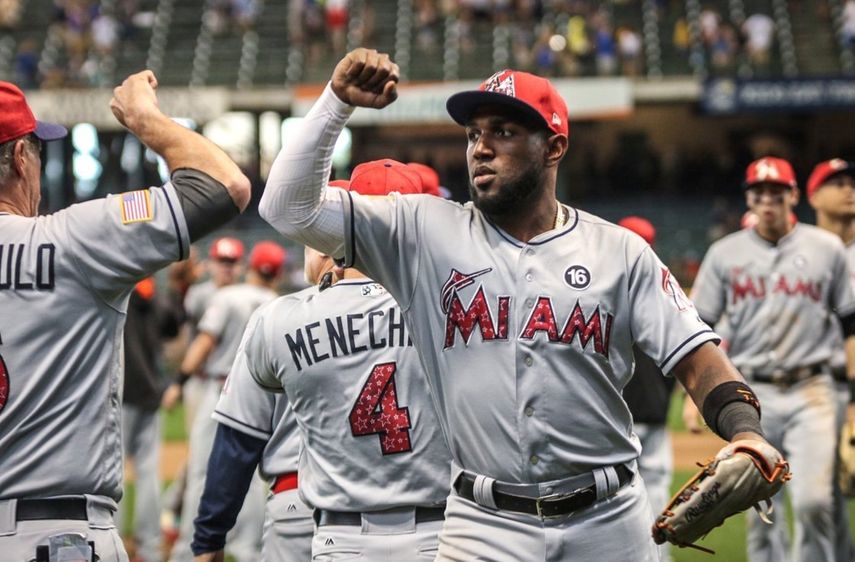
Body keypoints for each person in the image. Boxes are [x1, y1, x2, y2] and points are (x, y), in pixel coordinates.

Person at [258, 47, 781, 561]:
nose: (480, 147)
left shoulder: (618, 251)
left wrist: (748, 434)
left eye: (503, 132)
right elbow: (285, 206)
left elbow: (698, 358)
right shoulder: (420, 230)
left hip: (608, 520)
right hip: (482, 523)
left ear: (553, 148)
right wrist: (335, 104)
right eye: (473, 134)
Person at [0, 72, 250, 562]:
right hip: (56, 534)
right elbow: (226, 185)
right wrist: (146, 119)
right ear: (20, 158)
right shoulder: (72, 240)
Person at [222, 160, 452, 561]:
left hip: (340, 536)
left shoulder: (285, 315)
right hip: (440, 529)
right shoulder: (454, 307)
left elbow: (238, 437)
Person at [691, 156, 855, 562]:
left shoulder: (827, 248)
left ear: (794, 196)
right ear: (748, 198)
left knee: (815, 503)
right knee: (758, 510)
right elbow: (699, 328)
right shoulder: (724, 254)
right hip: (751, 396)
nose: (767, 200)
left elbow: (851, 324)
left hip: (812, 391)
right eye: (759, 192)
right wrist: (694, 400)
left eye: (777, 192)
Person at [168, 241, 287, 562]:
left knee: (202, 473)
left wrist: (178, 381)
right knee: (252, 478)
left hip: (221, 390)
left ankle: (190, 547)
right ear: (276, 274)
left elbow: (204, 343)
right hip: (266, 396)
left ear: (249, 266)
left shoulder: (227, 297)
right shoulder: (278, 303)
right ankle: (248, 547)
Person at [160, 236, 245, 548]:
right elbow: (178, 325)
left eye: (231, 261)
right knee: (201, 452)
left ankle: (187, 511)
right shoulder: (199, 294)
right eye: (222, 261)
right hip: (201, 381)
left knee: (221, 452)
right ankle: (176, 508)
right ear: (212, 264)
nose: (227, 267)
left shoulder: (243, 294)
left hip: (235, 385)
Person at [617, 216, 675, 562]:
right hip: (648, 416)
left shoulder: (600, 292)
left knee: (616, 508)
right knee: (655, 504)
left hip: (626, 419)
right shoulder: (665, 297)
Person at [808, 158, 855, 562]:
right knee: (828, 498)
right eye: (836, 182)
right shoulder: (805, 254)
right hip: (828, 388)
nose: (848, 188)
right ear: (813, 195)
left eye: (851, 181)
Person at [118, 275, 184, 562]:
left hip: (123, 393)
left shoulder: (121, 290)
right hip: (151, 392)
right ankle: (149, 549)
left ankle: (115, 542)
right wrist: (179, 288)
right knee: (148, 473)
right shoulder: (155, 295)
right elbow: (173, 325)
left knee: (114, 473)